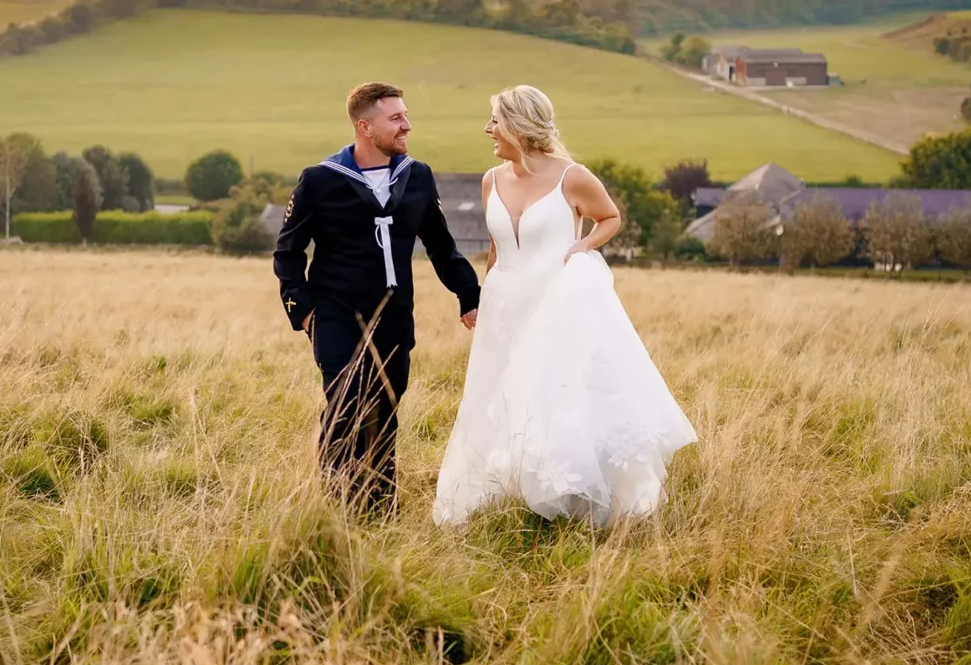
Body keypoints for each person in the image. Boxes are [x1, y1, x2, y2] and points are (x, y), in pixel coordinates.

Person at [433, 85, 697, 526]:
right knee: (497, 395)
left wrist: (583, 247)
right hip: (503, 304)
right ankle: (508, 490)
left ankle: (566, 499)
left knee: (553, 394)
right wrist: (480, 298)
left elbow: (609, 217)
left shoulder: (571, 176)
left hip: (554, 303)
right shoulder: (490, 181)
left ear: (519, 126)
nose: (488, 130)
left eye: (495, 121)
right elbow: (497, 249)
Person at [275, 82, 481, 515]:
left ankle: (380, 511)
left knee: (385, 412)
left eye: (405, 115)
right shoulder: (320, 180)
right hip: (335, 316)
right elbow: (287, 252)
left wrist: (468, 294)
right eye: (396, 118)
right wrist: (305, 312)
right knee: (345, 409)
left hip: (394, 319)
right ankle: (337, 514)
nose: (407, 125)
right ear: (365, 127)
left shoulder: (417, 175)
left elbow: (441, 245)